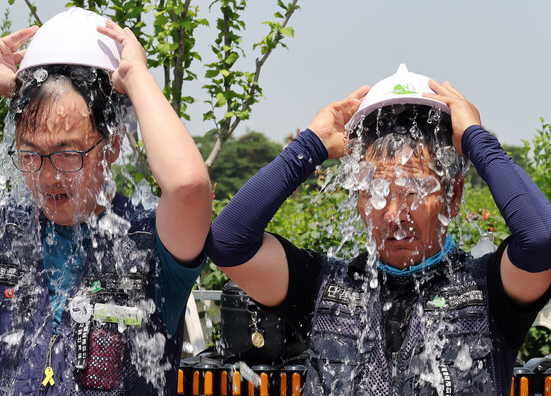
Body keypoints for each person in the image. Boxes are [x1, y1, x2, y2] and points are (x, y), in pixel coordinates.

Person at [0, 8, 210, 395]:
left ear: (112, 144)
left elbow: (188, 186)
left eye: (69, 154)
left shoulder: (153, 246)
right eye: (30, 155)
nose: (49, 176)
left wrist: (137, 78)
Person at [205, 64, 551, 395]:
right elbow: (229, 241)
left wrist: (478, 141)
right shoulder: (322, 285)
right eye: (376, 192)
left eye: (415, 191)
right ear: (357, 199)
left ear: (453, 196)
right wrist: (310, 145)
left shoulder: (489, 289)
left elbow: (541, 240)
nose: (395, 214)